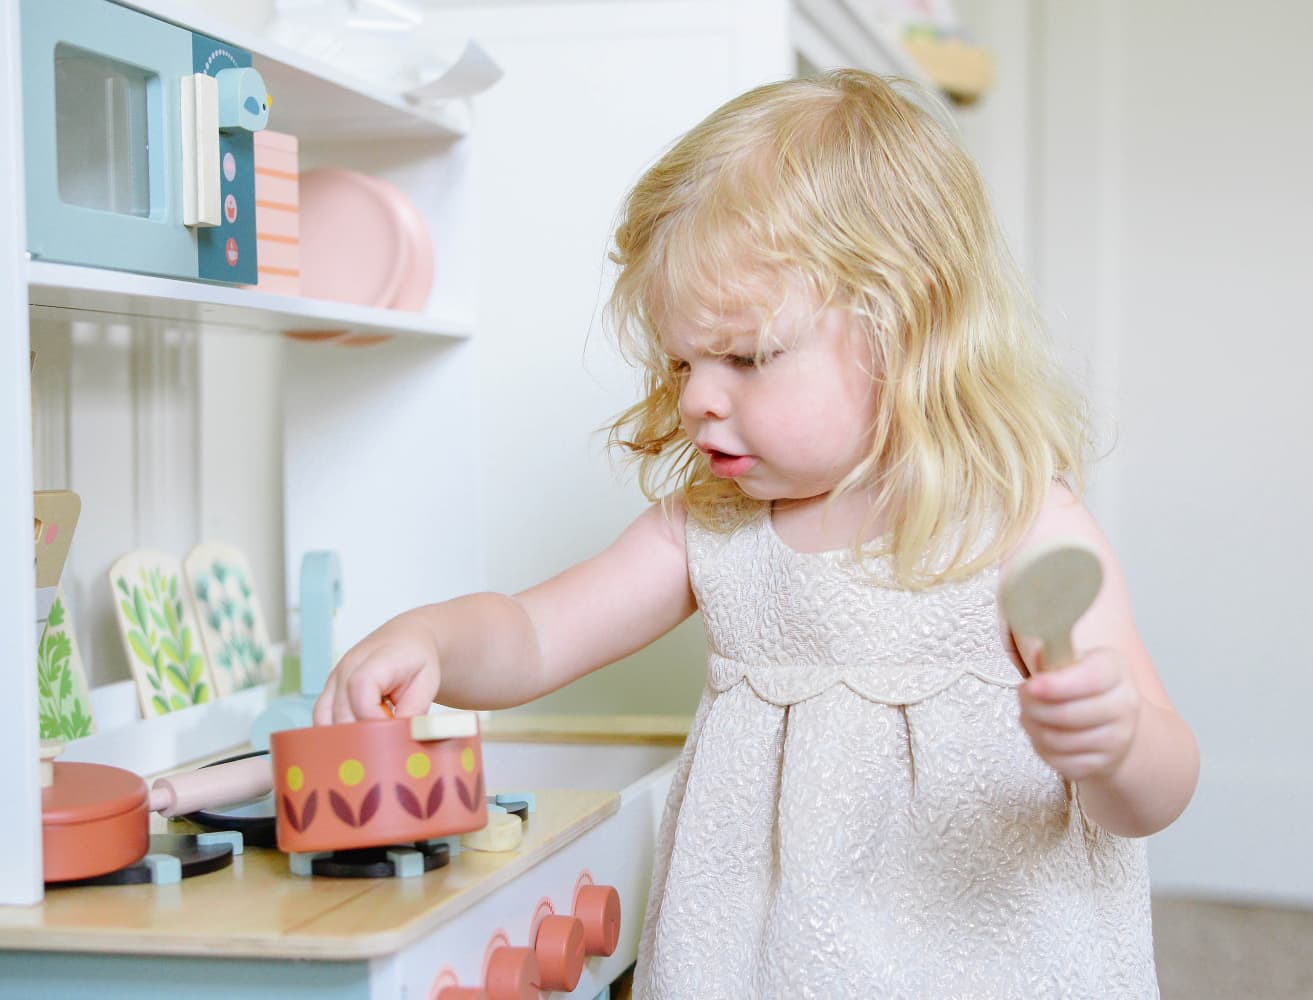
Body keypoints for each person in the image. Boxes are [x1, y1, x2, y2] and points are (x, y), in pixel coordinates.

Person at [314, 69, 1198, 999]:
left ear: (907, 330)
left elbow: (1158, 790)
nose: (697, 396)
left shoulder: (1019, 521)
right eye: (683, 359)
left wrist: (1117, 746)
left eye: (746, 357)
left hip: (982, 957)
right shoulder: (716, 528)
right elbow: (536, 634)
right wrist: (432, 640)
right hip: (759, 958)